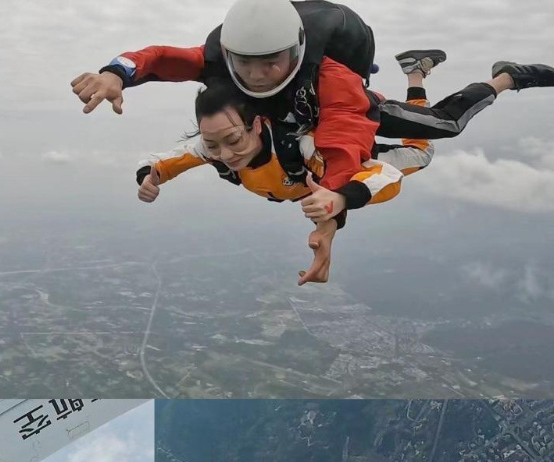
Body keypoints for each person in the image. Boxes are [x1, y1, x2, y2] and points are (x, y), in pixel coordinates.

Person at [73, 0, 554, 195]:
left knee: (441, 130)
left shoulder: (328, 81)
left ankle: (506, 77)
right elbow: (160, 58)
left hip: (347, 109)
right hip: (305, 126)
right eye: (245, 63)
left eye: (272, 62)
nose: (257, 75)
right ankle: (417, 69)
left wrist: (336, 205)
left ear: (298, 52)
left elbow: (343, 148)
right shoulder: (218, 66)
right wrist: (116, 75)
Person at [136, 52, 437, 284]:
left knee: (421, 152)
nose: (225, 154)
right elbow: (161, 162)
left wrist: (341, 199)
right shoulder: (211, 146)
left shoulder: (300, 146)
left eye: (233, 140)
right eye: (212, 144)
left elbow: (385, 176)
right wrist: (148, 178)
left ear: (257, 125)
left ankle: (415, 75)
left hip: (350, 137)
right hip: (305, 172)